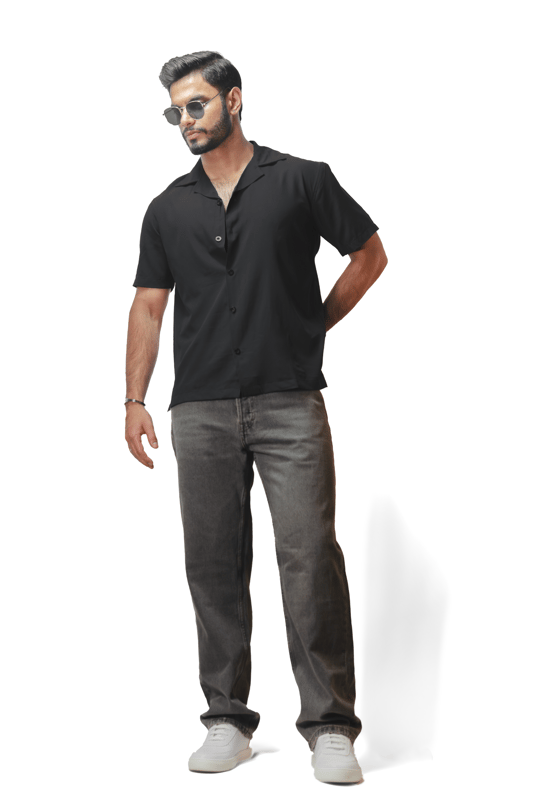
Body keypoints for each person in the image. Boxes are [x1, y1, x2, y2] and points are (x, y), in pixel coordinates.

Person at [125, 50, 388, 784]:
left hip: (289, 401)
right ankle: (227, 720)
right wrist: (133, 398)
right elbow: (148, 303)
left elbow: (369, 255)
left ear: (233, 100)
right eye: (175, 111)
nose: (185, 120)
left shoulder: (301, 179)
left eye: (196, 105)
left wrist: (312, 326)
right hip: (199, 407)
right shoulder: (167, 207)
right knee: (212, 564)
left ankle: (330, 726)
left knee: (309, 558)